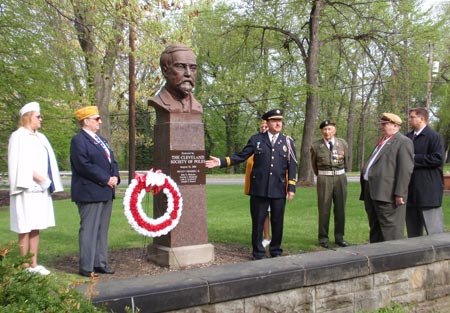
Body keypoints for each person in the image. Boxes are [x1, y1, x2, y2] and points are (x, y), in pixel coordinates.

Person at [206, 109, 297, 259]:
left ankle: (275, 250)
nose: (278, 123)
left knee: (277, 222)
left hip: (278, 188)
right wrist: (222, 161)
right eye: (274, 120)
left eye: (280, 120)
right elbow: (241, 156)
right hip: (259, 189)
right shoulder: (257, 140)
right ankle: (258, 252)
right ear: (267, 123)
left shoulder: (287, 141)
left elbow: (292, 165)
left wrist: (291, 188)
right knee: (258, 222)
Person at [8, 101, 63, 275]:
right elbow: (19, 163)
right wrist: (39, 178)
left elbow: (47, 161)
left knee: (36, 225)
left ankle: (34, 263)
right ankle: (24, 266)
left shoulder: (40, 137)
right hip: (26, 188)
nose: (41, 119)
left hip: (40, 188)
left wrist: (47, 180)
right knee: (24, 226)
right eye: (38, 116)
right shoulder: (18, 136)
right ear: (28, 117)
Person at [70, 106, 120, 277]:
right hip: (90, 192)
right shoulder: (79, 140)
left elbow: (112, 161)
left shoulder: (102, 140)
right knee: (89, 229)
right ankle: (87, 266)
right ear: (86, 121)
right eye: (96, 119)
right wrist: (106, 178)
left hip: (105, 191)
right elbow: (83, 165)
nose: (100, 121)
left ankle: (100, 263)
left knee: (101, 230)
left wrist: (115, 177)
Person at [360, 112, 414, 243]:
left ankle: (394, 260)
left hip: (387, 194)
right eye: (381, 124)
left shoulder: (403, 142)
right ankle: (376, 257)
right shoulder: (383, 141)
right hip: (373, 192)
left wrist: (399, 193)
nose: (382, 127)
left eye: (385, 124)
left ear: (395, 126)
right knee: (375, 228)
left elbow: (405, 170)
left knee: (391, 230)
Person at [406, 108, 445, 237]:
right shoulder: (407, 138)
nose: (409, 119)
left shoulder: (434, 137)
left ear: (422, 119)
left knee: (435, 234)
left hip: (428, 193)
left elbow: (438, 159)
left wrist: (414, 158)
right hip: (410, 192)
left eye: (412, 117)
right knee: (413, 234)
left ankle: (440, 257)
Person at [310, 119, 348, 248]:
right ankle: (323, 238)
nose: (327, 132)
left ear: (334, 130)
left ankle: (339, 237)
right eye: (325, 130)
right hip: (324, 179)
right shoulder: (316, 146)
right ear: (322, 131)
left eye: (329, 129)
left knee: (340, 209)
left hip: (340, 178)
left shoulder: (342, 143)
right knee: (324, 209)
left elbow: (346, 161)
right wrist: (322, 175)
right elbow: (314, 165)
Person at [149, 44, 202, 113]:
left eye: (193, 68)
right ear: (165, 71)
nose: (188, 73)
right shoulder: (158, 102)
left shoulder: (197, 106)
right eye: (180, 67)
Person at [244, 120, 271, 248]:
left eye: (266, 126)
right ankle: (260, 241)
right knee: (260, 214)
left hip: (273, 187)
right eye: (262, 127)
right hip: (257, 187)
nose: (264, 128)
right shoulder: (255, 143)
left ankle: (268, 238)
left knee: (270, 214)